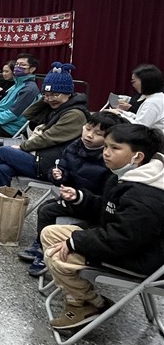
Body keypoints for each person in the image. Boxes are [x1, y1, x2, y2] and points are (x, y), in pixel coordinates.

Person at [41, 124, 164, 330]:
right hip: (123, 243)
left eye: (115, 148)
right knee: (50, 234)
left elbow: (121, 238)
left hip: (140, 258)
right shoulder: (130, 176)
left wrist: (75, 243)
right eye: (106, 146)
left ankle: (92, 304)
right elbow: (110, 211)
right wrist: (80, 198)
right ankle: (83, 299)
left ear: (138, 156)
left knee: (59, 257)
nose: (106, 153)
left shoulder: (147, 196)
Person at [17, 111, 124, 276]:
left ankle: (45, 252)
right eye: (88, 129)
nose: (89, 135)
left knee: (47, 210)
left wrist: (78, 196)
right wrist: (57, 174)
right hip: (73, 197)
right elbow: (63, 168)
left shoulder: (108, 160)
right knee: (46, 207)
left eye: (98, 134)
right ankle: (41, 242)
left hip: (90, 205)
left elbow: (105, 200)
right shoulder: (75, 146)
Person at [0, 62, 89, 194]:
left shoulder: (74, 114)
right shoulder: (57, 106)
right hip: (40, 155)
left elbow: (48, 138)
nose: (51, 99)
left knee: (3, 152)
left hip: (54, 167)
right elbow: (28, 114)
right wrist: (45, 99)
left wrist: (23, 146)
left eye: (55, 95)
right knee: (3, 168)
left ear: (68, 93)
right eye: (47, 95)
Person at [110, 64, 164, 133]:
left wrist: (118, 115)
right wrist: (122, 112)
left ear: (146, 82)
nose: (133, 85)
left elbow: (139, 127)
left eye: (134, 82)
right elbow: (139, 117)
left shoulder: (152, 102)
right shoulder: (158, 96)